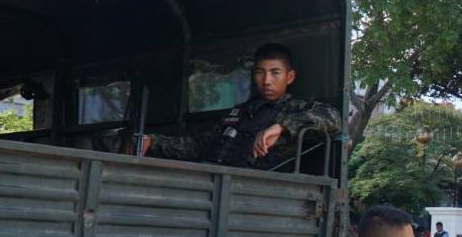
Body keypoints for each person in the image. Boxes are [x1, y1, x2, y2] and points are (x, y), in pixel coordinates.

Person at [140, 43, 340, 171]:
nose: (267, 80)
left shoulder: (295, 108)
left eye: (275, 72)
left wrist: (282, 126)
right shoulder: (241, 111)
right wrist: (154, 141)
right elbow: (199, 146)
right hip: (209, 179)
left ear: (290, 77)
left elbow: (333, 118)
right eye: (261, 72)